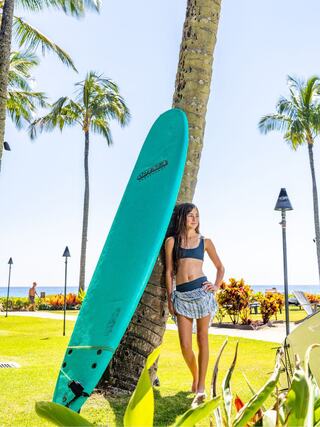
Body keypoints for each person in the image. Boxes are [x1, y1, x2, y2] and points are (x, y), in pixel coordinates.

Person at [165, 203, 225, 408]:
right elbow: (169, 272)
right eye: (190, 215)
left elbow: (220, 267)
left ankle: (201, 387)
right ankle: (196, 375)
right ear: (182, 218)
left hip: (202, 293)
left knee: (202, 339)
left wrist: (216, 285)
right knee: (185, 345)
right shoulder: (172, 242)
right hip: (181, 296)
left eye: (197, 216)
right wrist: (169, 297)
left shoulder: (205, 241)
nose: (194, 219)